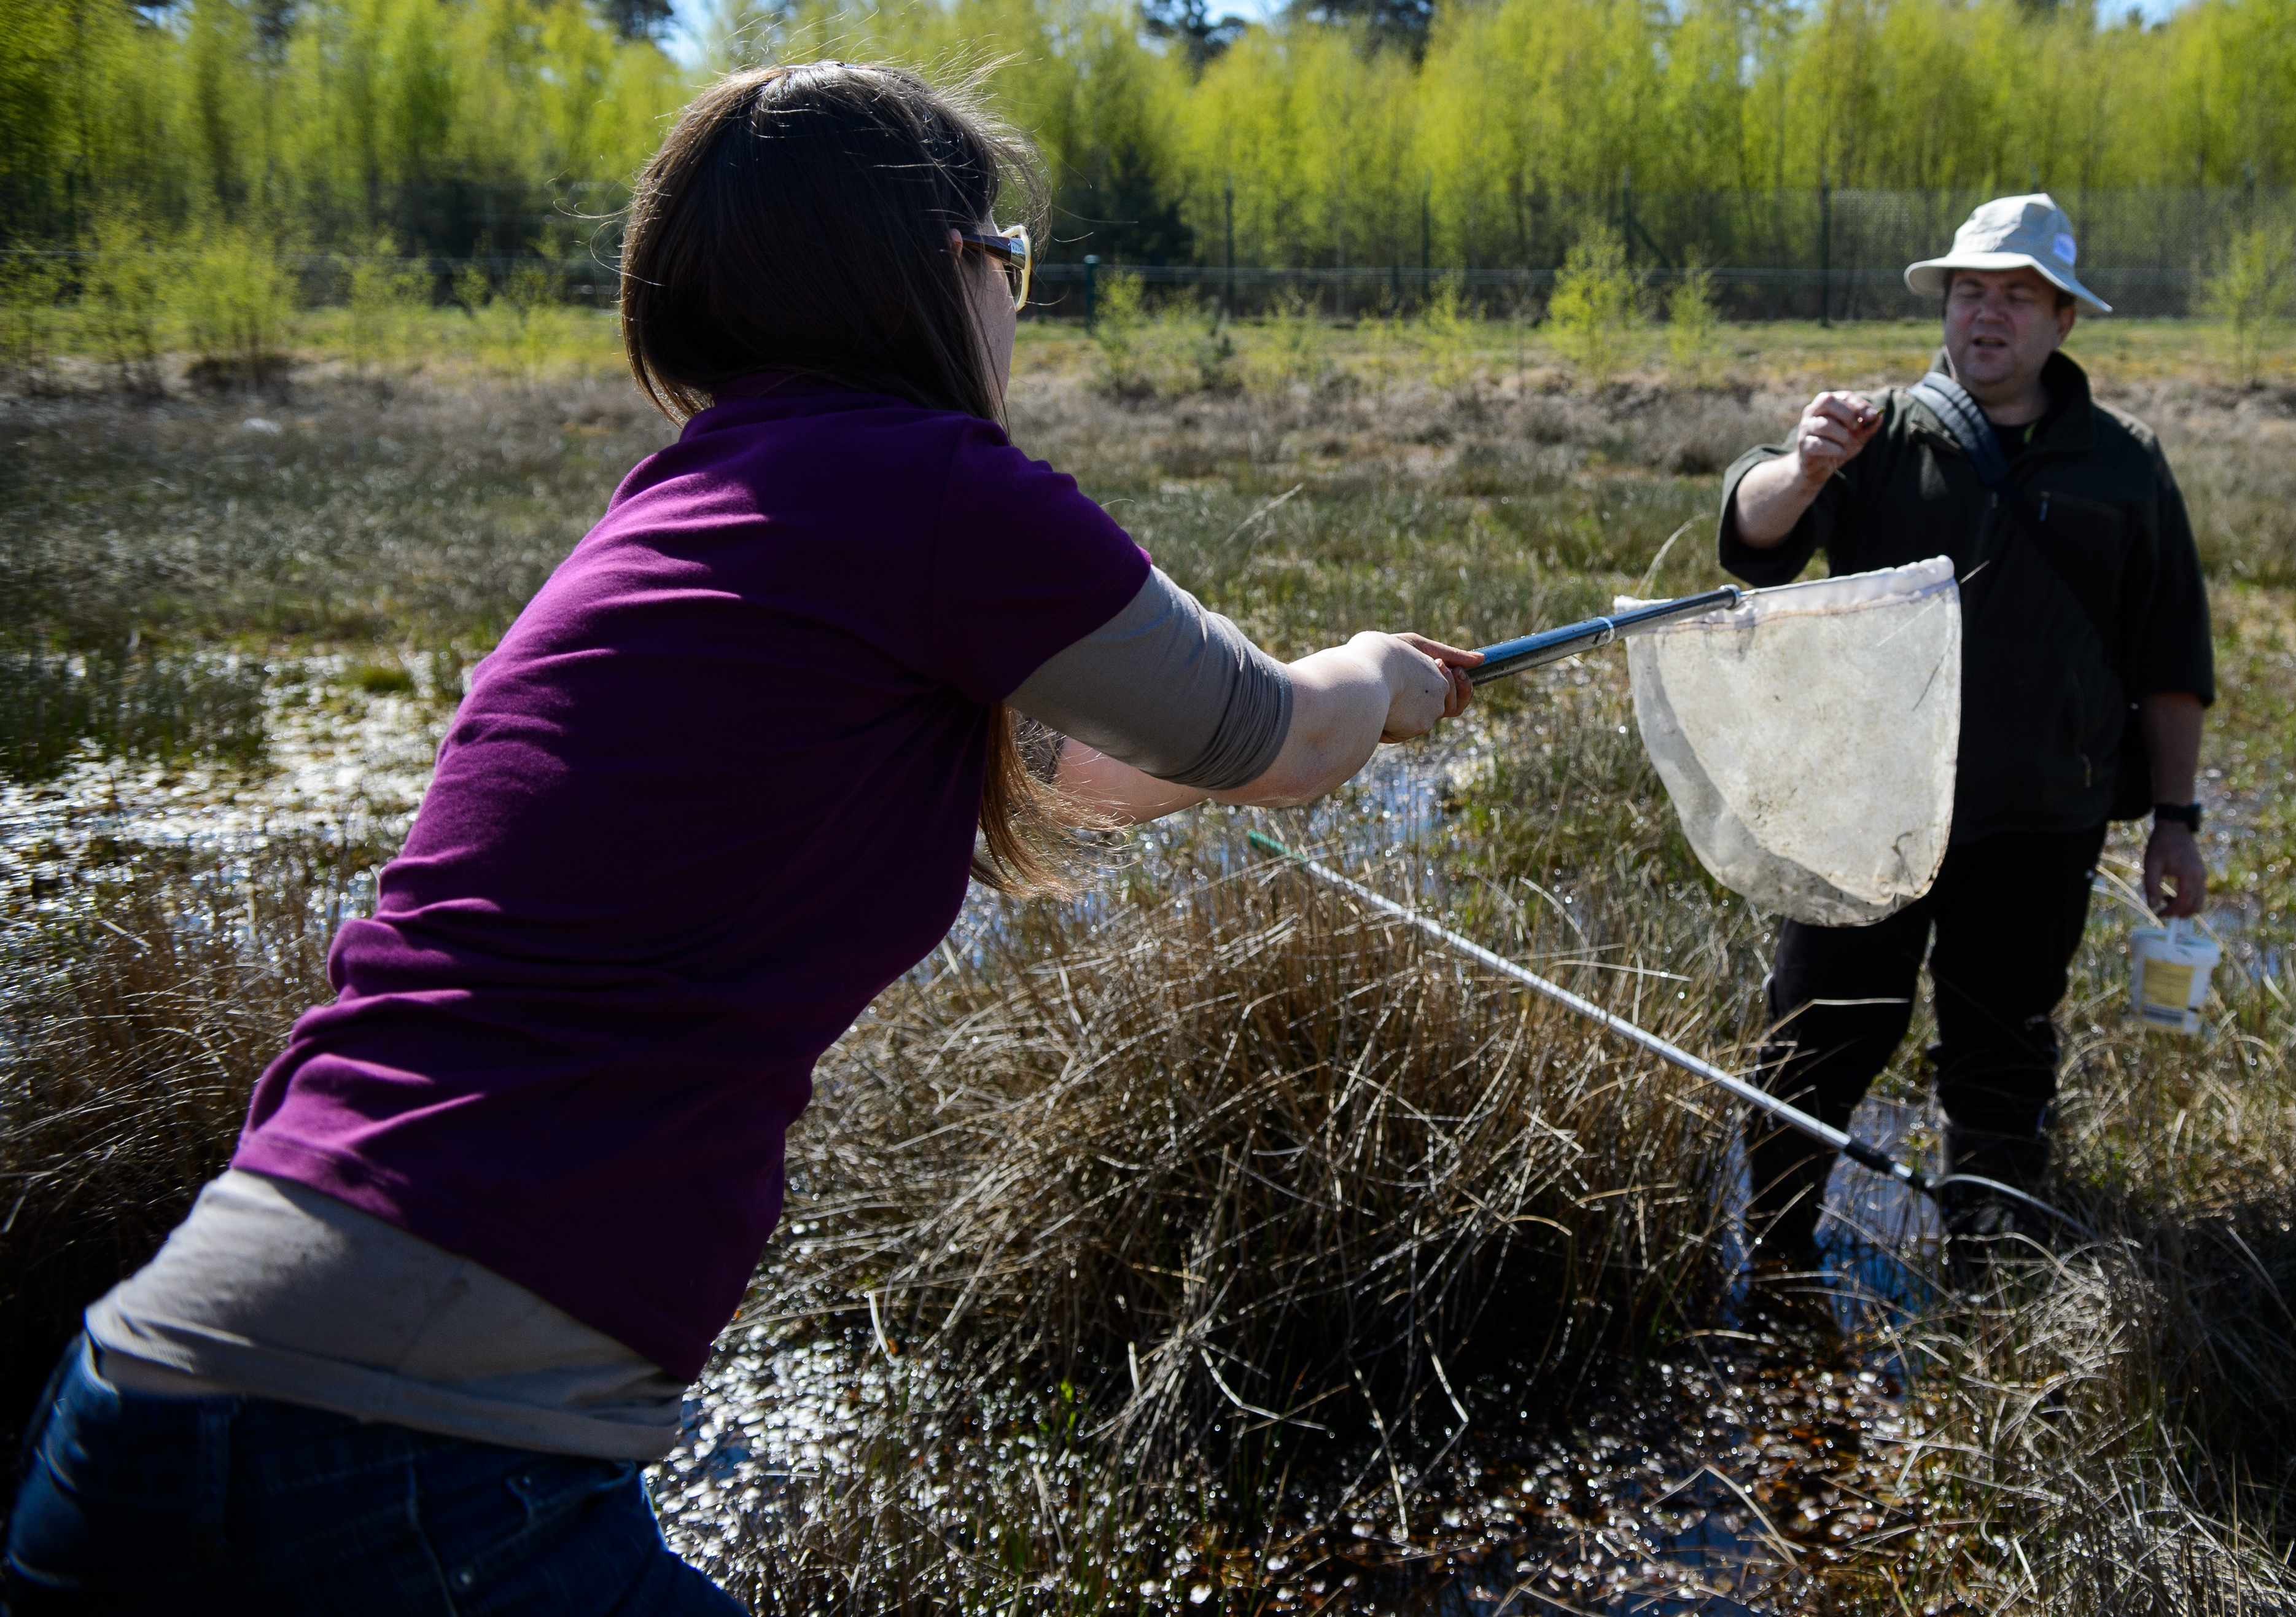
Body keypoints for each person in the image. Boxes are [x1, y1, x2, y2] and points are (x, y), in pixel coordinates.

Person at [3, 64, 1479, 1613]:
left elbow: (1079, 768)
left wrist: (1287, 730)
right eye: (1012, 261)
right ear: (937, 269)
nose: (1018, 309)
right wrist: (1375, 673)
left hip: (150, 1398)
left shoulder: (692, 505)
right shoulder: (937, 492)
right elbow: (1290, 735)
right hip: (403, 1455)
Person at [1717, 193, 2213, 1266]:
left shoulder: (2125, 466)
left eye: (2018, 296)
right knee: (1819, 1032)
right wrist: (1803, 469)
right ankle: (1777, 1247)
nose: (1988, 315)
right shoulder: (1875, 435)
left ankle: (1987, 1284)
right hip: (1868, 811)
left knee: (2002, 1049)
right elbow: (1752, 537)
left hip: (2042, 821)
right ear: (1946, 307)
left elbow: (2172, 664)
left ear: (2062, 319)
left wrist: (2176, 818)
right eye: (1971, 292)